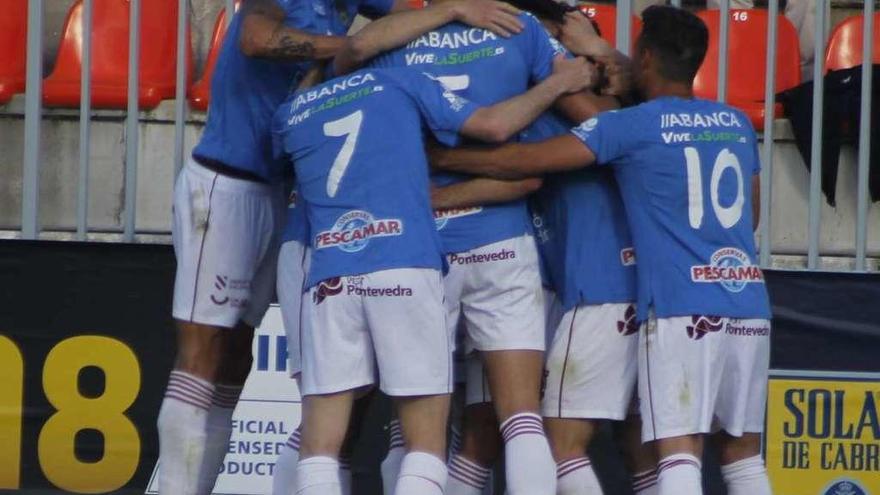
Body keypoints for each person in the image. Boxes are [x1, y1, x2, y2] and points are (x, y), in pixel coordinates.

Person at [430, 6, 773, 495]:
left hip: (673, 307)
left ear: (646, 55)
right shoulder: (736, 123)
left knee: (646, 450)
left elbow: (525, 162)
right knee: (741, 457)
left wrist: (440, 157)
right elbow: (752, 217)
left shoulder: (633, 127)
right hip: (746, 303)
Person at [272, 59, 593, 494]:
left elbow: (278, 154)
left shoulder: (294, 111)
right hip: (405, 264)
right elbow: (493, 125)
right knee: (426, 442)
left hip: (331, 273)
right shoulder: (400, 81)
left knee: (320, 446)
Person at [329, 1, 610, 492]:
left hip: (421, 247)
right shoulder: (521, 29)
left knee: (415, 427)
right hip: (499, 240)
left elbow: (350, 54)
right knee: (520, 418)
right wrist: (578, 72)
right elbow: (594, 117)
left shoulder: (396, 37)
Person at [157, 0, 419, 492]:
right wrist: (354, 47)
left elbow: (413, 13)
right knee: (205, 350)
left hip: (285, 193)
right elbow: (255, 39)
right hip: (226, 182)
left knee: (239, 356)